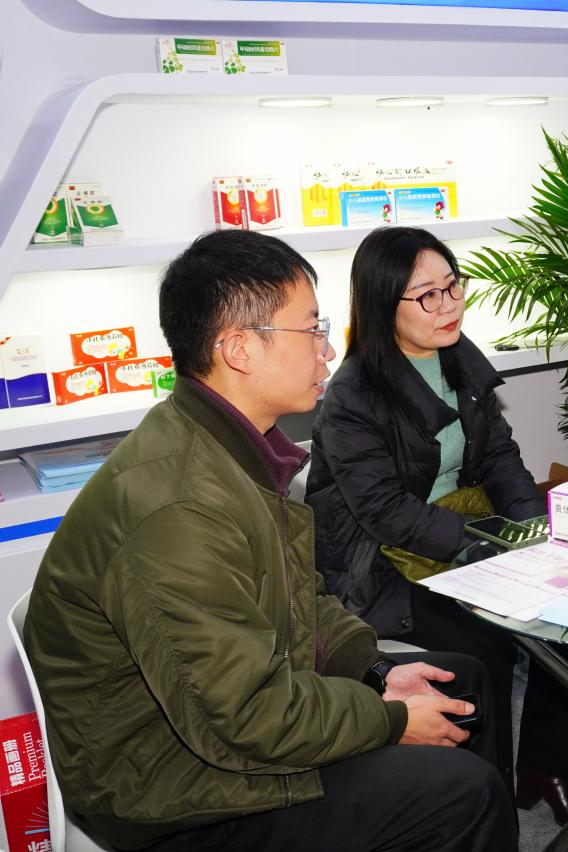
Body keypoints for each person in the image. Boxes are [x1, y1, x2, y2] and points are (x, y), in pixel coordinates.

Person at [23, 229, 515, 852]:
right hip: (174, 787)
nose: (327, 350)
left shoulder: (228, 445)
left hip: (233, 716)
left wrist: (372, 671)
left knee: (461, 683)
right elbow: (246, 717)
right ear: (238, 350)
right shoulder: (180, 506)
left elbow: (302, 598)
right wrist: (388, 718)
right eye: (310, 330)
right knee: (464, 793)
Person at [305, 226, 568, 831]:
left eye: (452, 286)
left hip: (458, 536)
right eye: (427, 295)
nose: (448, 306)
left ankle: (545, 767)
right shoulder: (353, 395)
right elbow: (385, 510)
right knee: (482, 641)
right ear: (382, 303)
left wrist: (535, 532)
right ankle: (478, 798)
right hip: (379, 562)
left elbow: (500, 457)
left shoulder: (459, 356)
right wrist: (485, 550)